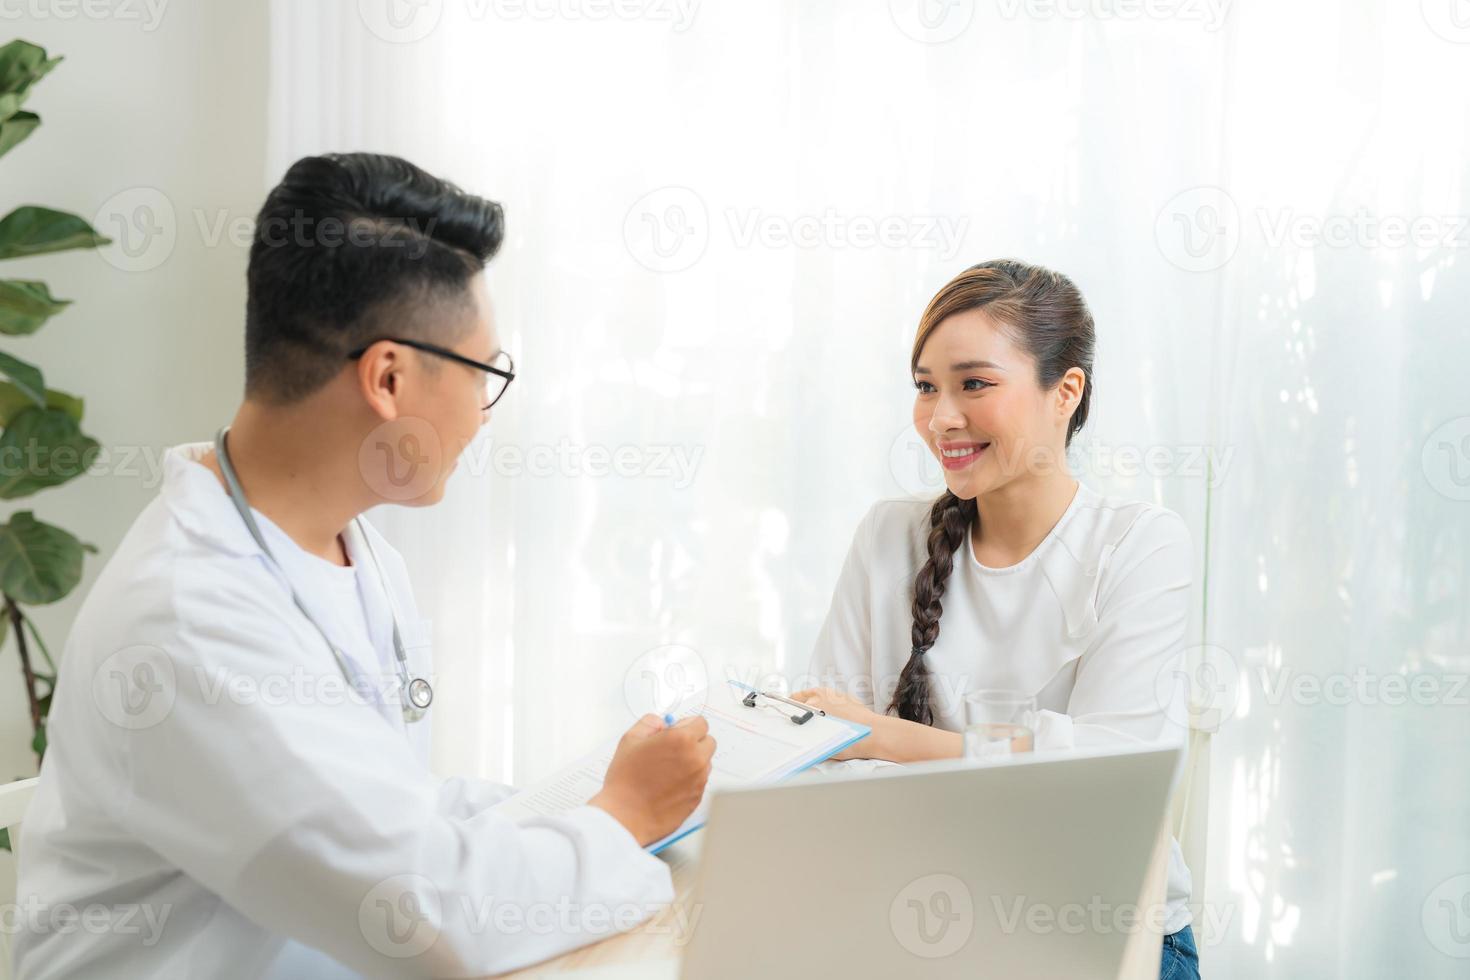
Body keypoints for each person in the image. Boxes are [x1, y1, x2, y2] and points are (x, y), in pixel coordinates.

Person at [13, 153, 715, 979]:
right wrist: (619, 814)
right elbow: (421, 915)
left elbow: (388, 808)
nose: (486, 417)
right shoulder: (188, 614)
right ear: (388, 377)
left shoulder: (348, 545)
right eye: (486, 373)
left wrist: (581, 804)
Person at [791, 259, 1202, 980]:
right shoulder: (890, 537)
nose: (941, 418)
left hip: (1098, 935)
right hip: (920, 918)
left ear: (1064, 393)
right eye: (925, 388)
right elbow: (824, 754)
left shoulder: (1139, 545)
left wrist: (886, 737)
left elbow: (1114, 782)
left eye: (974, 384)